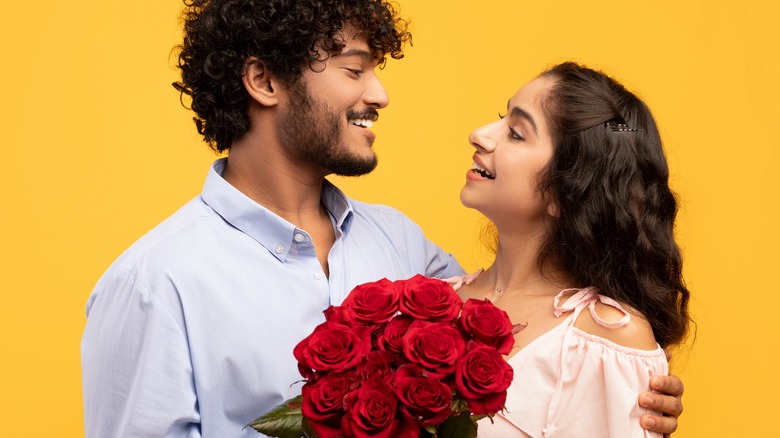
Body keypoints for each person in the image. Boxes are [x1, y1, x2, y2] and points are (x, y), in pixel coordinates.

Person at [80, 0, 684, 436]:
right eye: (353, 69)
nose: (380, 94)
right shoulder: (155, 283)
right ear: (264, 81)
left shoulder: (406, 250)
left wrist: (629, 385)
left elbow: (529, 340)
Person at [455, 62, 691, 437]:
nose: (479, 134)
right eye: (501, 117)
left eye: (516, 133)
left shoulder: (605, 340)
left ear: (566, 191)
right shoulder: (432, 298)